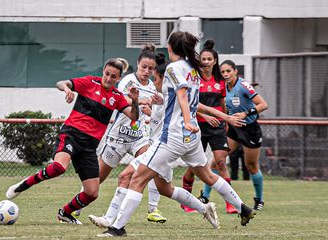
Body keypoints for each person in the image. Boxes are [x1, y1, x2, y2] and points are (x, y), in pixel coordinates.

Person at [97, 31, 256, 237]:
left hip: (172, 137)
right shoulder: (193, 70)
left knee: (136, 179)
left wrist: (188, 120)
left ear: (171, 48)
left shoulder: (174, 68)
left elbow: (182, 94)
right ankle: (243, 208)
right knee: (207, 175)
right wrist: (224, 117)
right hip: (191, 137)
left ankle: (117, 229)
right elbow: (193, 102)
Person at [5, 58, 140, 224]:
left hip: (89, 147)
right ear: (103, 71)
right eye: (106, 74)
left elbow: (134, 116)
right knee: (59, 167)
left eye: (113, 76)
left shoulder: (117, 97)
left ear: (118, 79)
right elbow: (61, 83)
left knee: (92, 193)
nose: (108, 78)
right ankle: (23, 185)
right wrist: (67, 89)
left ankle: (65, 213)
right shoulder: (90, 82)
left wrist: (134, 100)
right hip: (72, 134)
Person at [88, 52, 168, 228]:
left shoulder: (156, 86)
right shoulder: (128, 81)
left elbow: (163, 105)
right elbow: (120, 99)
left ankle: (153, 210)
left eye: (151, 68)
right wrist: (140, 101)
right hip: (119, 136)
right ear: (137, 64)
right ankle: (75, 207)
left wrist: (156, 104)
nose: (147, 71)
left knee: (151, 165)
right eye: (143, 67)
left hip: (140, 137)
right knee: (97, 177)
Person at [180, 39, 237, 214]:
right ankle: (186, 200)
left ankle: (230, 203)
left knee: (220, 162)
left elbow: (222, 103)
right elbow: (188, 104)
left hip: (217, 127)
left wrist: (225, 121)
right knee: (195, 165)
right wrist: (203, 115)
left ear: (215, 61)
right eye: (203, 59)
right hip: (198, 127)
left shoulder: (220, 81)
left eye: (209, 59)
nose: (205, 62)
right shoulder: (194, 79)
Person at [220, 60, 268, 211]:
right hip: (234, 129)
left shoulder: (244, 85)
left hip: (250, 129)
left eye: (228, 71)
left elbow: (263, 105)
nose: (226, 74)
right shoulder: (222, 87)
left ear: (235, 71)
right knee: (218, 160)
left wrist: (246, 113)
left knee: (251, 166)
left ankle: (259, 199)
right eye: (223, 72)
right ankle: (205, 197)